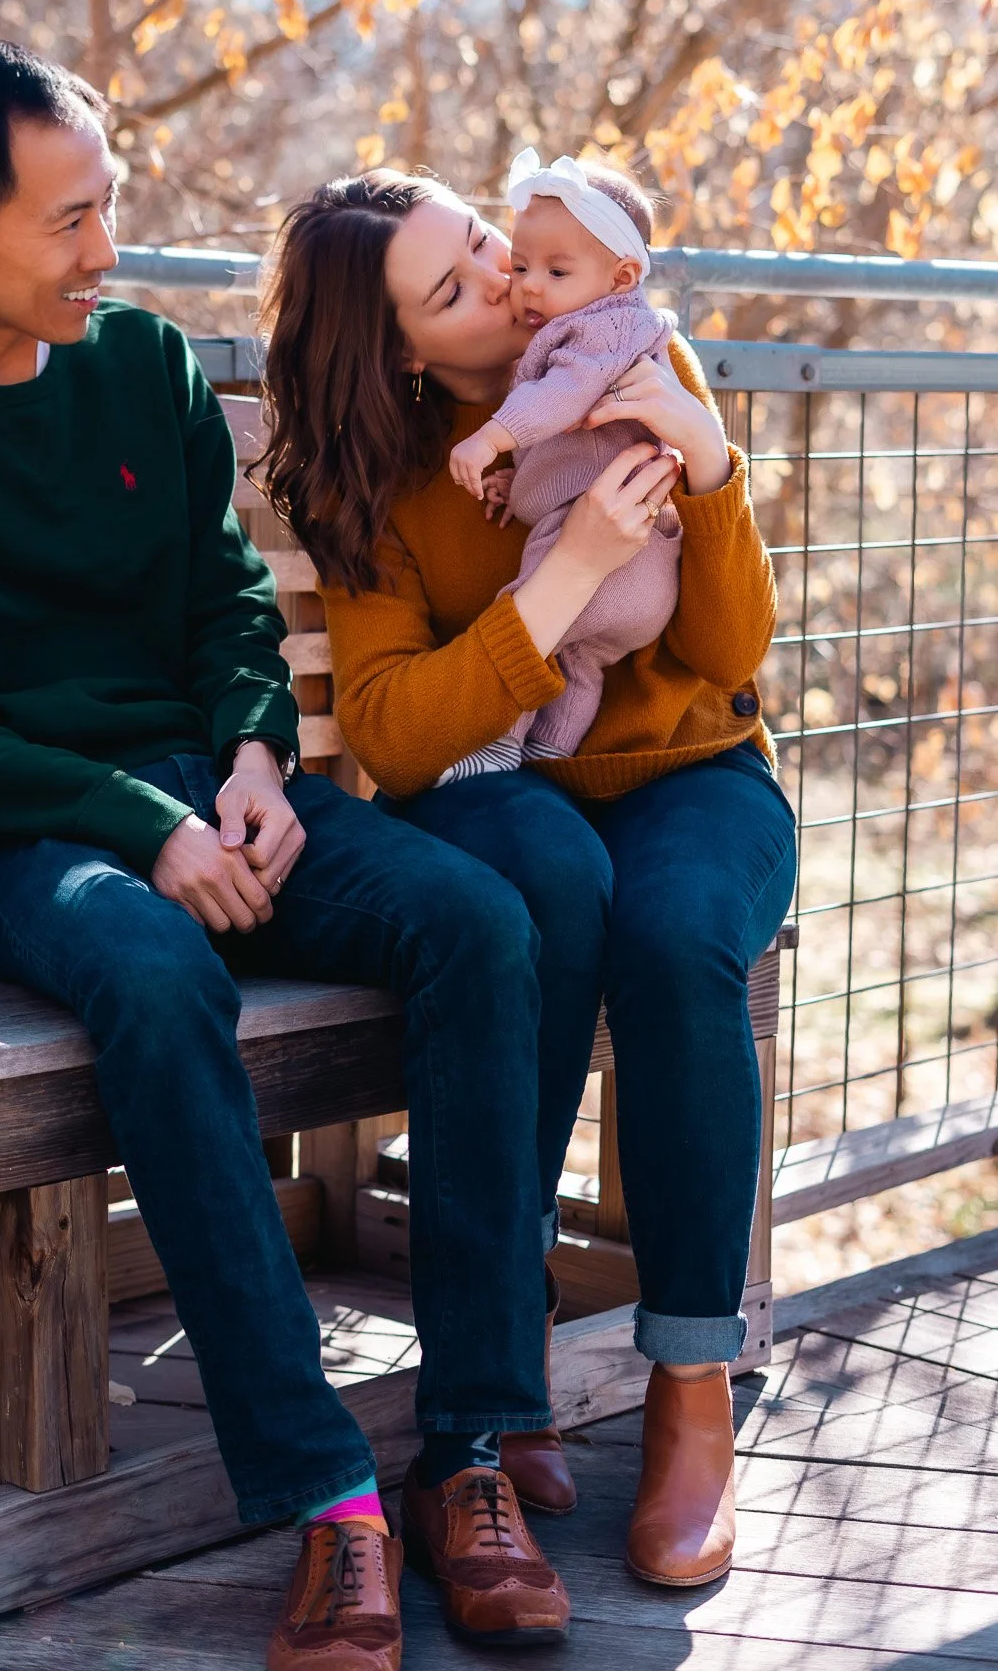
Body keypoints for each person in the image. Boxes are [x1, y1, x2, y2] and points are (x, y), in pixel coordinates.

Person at [0, 39, 572, 1671]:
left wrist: (261, 756)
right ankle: (327, 1492)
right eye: (68, 221)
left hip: (227, 795)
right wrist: (144, 825)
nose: (106, 248)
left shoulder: (138, 367)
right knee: (150, 972)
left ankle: (472, 1438)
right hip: (40, 844)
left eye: (109, 202)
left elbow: (222, 608)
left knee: (481, 921)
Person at [261, 166, 798, 1589]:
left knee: (683, 935)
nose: (506, 280)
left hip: (694, 776)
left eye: (489, 246)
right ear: (397, 355)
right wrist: (564, 583)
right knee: (547, 882)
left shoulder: (628, 346)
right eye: (454, 287)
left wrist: (712, 469)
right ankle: (500, 1380)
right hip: (503, 792)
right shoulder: (377, 479)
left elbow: (730, 653)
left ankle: (693, 1388)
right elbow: (392, 730)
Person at [443, 150, 681, 777]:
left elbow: (560, 399)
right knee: (579, 664)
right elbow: (572, 446)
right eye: (521, 266)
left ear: (622, 277)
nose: (528, 286)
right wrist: (513, 478)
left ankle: (494, 745)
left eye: (556, 270)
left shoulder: (606, 331)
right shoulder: (603, 327)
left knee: (526, 618)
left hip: (617, 550)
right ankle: (551, 754)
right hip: (642, 574)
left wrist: (491, 438)